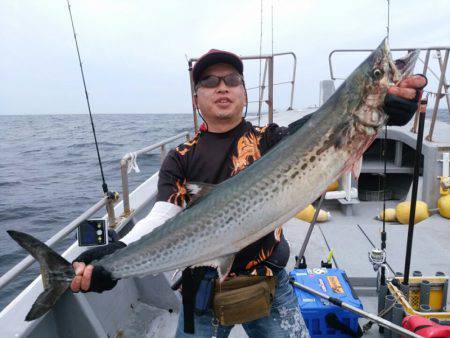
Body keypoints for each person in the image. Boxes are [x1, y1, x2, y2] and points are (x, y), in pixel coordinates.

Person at [70, 49, 426, 337]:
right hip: (202, 293)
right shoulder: (179, 158)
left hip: (269, 284)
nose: (222, 87)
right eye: (210, 81)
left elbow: (319, 131)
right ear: (197, 99)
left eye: (232, 80)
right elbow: (163, 215)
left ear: (243, 93)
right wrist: (116, 257)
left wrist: (389, 111)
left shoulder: (271, 140)